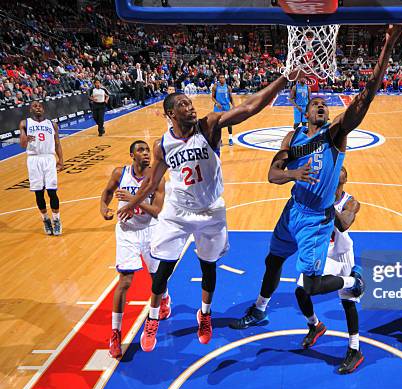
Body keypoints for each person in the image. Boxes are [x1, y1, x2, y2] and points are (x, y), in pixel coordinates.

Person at [230, 25, 402, 372]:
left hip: (315, 219)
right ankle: (261, 308)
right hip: (292, 208)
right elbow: (272, 174)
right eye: (316, 104)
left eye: (325, 105)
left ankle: (353, 281)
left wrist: (387, 44)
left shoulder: (337, 135)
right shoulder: (293, 136)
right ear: (305, 112)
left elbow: (365, 96)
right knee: (272, 261)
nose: (322, 107)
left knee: (308, 284)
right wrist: (294, 174)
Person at [117, 69, 301, 352]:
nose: (190, 108)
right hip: (177, 212)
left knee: (208, 266)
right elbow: (153, 181)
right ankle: (152, 319)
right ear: (171, 114)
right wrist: (131, 202)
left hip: (210, 212)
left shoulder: (210, 126)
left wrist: (284, 80)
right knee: (163, 269)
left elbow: (250, 107)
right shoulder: (162, 145)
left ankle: (204, 313)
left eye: (191, 104)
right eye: (183, 105)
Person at [231, 167, 364, 373]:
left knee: (347, 302)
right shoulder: (318, 197)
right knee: (302, 290)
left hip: (341, 255)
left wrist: (328, 205)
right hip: (322, 253)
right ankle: (315, 325)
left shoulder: (350, 202)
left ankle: (354, 349)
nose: (333, 186)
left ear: (343, 183)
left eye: (337, 183)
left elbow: (345, 223)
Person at [100, 141, 167, 358]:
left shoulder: (157, 178)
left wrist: (133, 201)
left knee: (156, 278)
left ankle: (164, 299)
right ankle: (115, 333)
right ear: (132, 155)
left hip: (150, 230)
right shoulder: (120, 173)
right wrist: (104, 209)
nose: (146, 153)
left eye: (148, 150)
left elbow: (157, 211)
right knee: (125, 281)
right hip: (127, 231)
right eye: (141, 150)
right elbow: (107, 193)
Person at [19, 101, 64, 235]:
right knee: (39, 192)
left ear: (43, 109)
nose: (37, 108)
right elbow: (22, 145)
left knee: (52, 191)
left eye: (39, 106)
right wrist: (26, 138)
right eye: (34, 106)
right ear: (30, 109)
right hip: (34, 159)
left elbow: (57, 143)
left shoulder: (52, 124)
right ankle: (45, 219)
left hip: (49, 158)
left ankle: (56, 220)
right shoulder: (24, 123)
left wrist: (61, 160)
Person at [211, 75, 235, 146]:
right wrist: (216, 103)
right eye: (220, 78)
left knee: (229, 122)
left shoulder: (228, 87)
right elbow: (212, 97)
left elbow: (231, 98)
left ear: (225, 79)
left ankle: (230, 138)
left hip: (226, 106)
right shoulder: (215, 87)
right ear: (218, 79)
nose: (222, 79)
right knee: (218, 124)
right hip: (218, 107)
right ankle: (219, 140)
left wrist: (234, 105)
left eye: (223, 77)